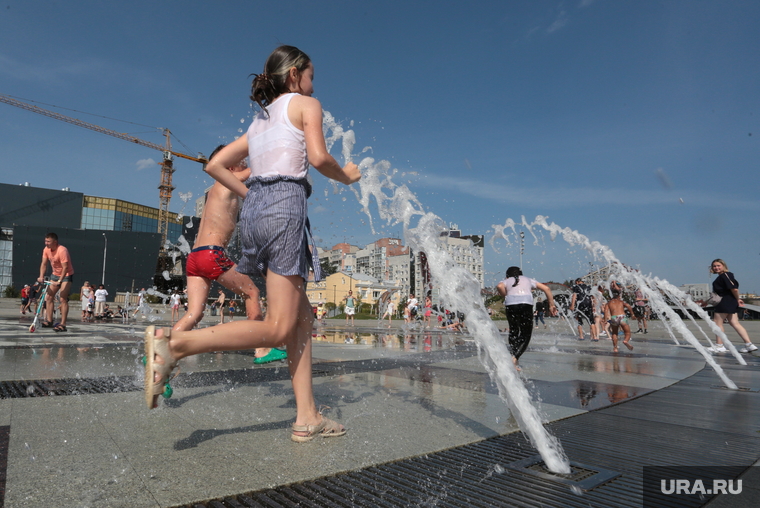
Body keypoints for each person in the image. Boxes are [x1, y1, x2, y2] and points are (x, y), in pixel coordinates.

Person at [143, 45, 360, 442]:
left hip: (257, 211)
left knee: (302, 318)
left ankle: (307, 415)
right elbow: (319, 157)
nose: (314, 84)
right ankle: (177, 345)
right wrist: (346, 175)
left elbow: (213, 165)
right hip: (284, 209)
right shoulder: (305, 104)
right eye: (312, 76)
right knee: (278, 328)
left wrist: (249, 193)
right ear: (295, 75)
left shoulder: (259, 123)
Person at [497, 266, 558, 370]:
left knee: (514, 330)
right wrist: (551, 304)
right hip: (526, 305)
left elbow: (499, 286)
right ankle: (514, 358)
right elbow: (546, 288)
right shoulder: (528, 279)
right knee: (526, 334)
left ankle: (513, 355)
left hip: (511, 305)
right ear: (521, 274)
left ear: (507, 276)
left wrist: (505, 295)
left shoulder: (506, 281)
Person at [704, 259, 757, 353]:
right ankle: (749, 344)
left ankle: (719, 345)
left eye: (718, 265)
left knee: (717, 323)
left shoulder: (725, 275)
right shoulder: (725, 276)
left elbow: (734, 289)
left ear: (724, 266)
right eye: (714, 266)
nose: (716, 268)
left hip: (725, 302)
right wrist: (736, 299)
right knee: (735, 323)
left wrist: (738, 299)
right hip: (730, 301)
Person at [37, 232, 74, 332]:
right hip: (55, 274)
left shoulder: (62, 250)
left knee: (63, 298)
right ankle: (49, 320)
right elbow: (44, 264)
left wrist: (60, 281)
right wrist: (41, 276)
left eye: (48, 241)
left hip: (66, 275)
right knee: (48, 297)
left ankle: (63, 324)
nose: (46, 243)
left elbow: (65, 267)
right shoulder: (46, 250)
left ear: (55, 242)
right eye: (45, 241)